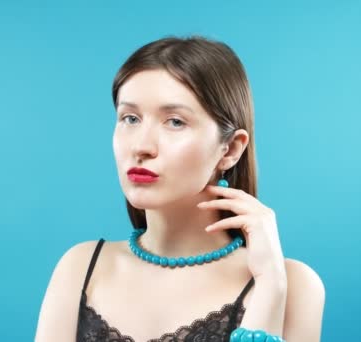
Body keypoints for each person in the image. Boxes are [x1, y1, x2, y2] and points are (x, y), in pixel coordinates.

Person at [35, 35, 325, 342]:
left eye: (175, 122)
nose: (141, 146)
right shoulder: (80, 267)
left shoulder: (293, 286)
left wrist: (269, 287)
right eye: (130, 118)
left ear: (229, 149)